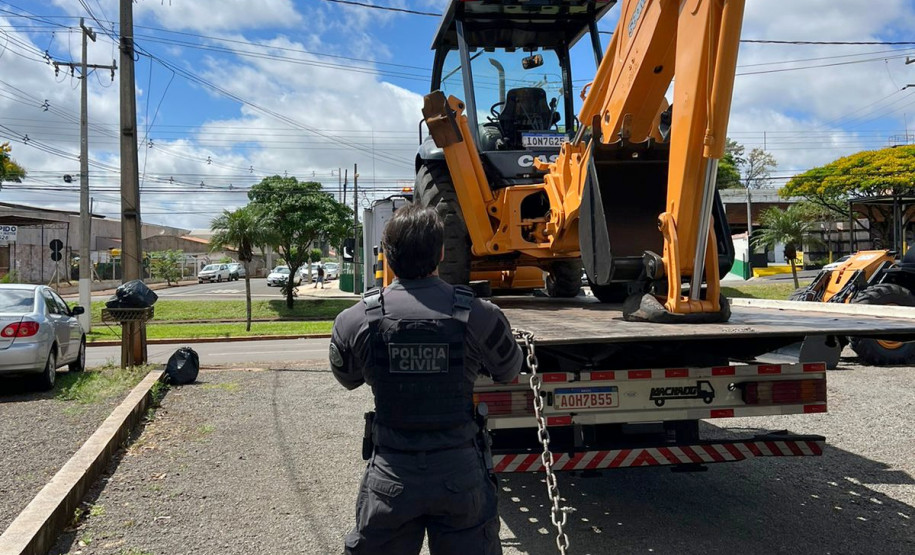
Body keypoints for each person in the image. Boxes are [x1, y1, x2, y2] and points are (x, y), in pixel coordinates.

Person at [330, 204, 522, 554]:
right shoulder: (479, 314)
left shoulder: (356, 319)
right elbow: (509, 371)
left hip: (390, 475)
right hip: (461, 475)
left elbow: (348, 379)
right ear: (442, 252)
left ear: (386, 255)